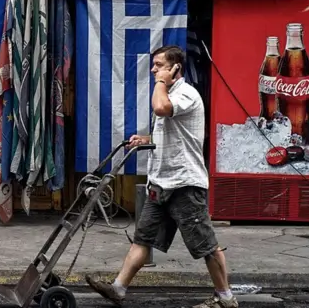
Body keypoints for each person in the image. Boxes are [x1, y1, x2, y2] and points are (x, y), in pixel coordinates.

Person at [85, 45, 238, 308]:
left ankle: (225, 297)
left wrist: (160, 83)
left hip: (184, 184)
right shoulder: (169, 94)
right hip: (160, 183)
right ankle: (118, 288)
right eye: (154, 65)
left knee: (206, 245)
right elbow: (172, 130)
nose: (154, 70)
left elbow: (161, 108)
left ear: (175, 68)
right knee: (143, 238)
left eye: (159, 65)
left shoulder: (185, 93)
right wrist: (146, 139)